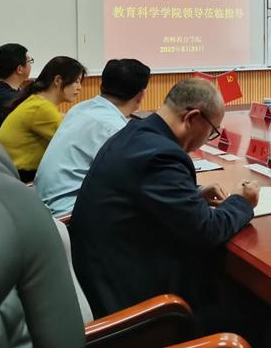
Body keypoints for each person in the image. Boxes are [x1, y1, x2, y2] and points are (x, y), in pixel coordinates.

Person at [70, 78, 259, 332]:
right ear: (191, 118)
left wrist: (194, 194)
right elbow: (206, 230)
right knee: (253, 312)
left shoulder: (136, 133)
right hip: (134, 305)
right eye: (212, 131)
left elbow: (143, 191)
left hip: (105, 271)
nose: (208, 138)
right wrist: (242, 202)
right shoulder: (162, 155)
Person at [34, 58, 151, 217]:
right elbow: (133, 181)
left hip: (41, 205)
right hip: (67, 214)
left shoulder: (80, 108)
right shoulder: (113, 128)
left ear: (102, 85)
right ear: (141, 94)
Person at [0, 55, 85, 182]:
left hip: (15, 173)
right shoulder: (41, 108)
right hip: (24, 177)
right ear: (58, 80)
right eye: (76, 81)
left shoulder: (37, 101)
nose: (80, 88)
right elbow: (75, 145)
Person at [0, 43, 33, 136]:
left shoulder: (2, 91)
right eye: (30, 61)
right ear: (20, 69)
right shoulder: (8, 99)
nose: (31, 64)